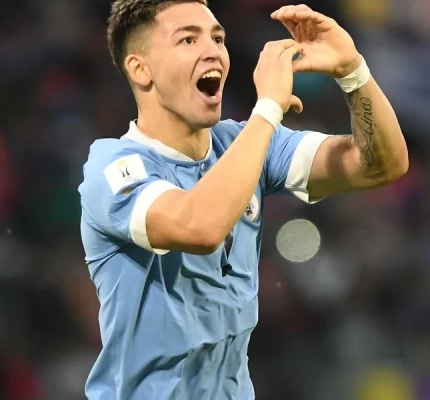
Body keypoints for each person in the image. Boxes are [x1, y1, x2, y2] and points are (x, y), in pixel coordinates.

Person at [77, 1, 408, 399]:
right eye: (188, 40)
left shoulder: (244, 142)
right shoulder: (113, 168)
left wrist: (353, 72)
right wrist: (267, 110)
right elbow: (199, 227)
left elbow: (380, 165)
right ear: (140, 69)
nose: (212, 50)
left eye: (217, 38)